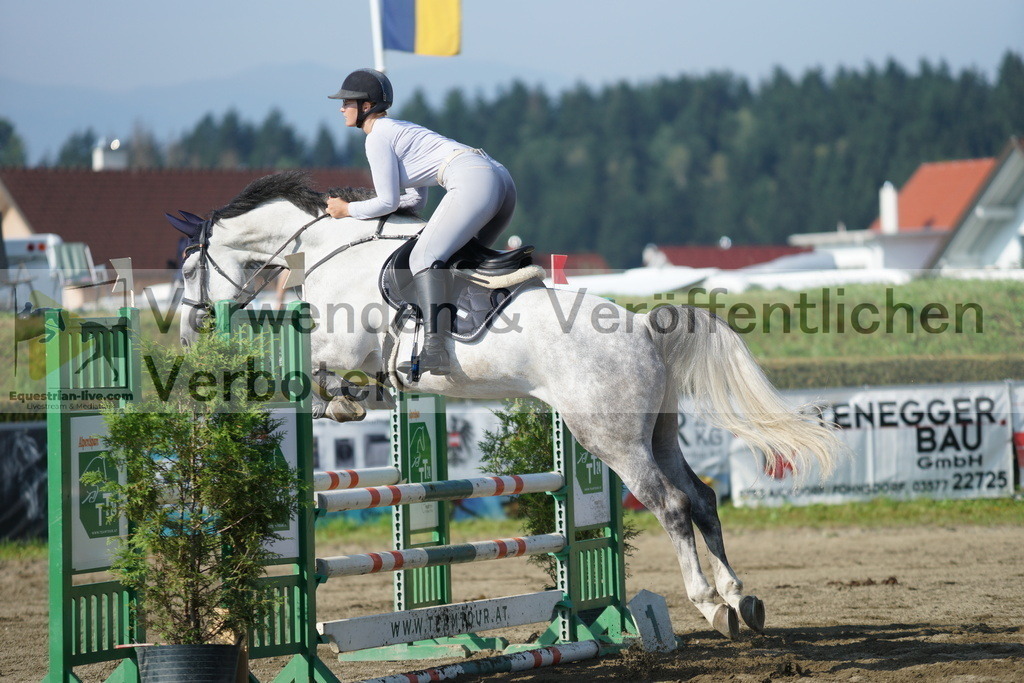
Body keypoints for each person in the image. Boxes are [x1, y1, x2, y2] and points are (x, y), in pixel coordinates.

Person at [324, 68, 516, 376]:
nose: (341, 108)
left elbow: (387, 202)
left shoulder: (376, 138)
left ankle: (435, 351)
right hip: (499, 178)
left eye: (347, 102)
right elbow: (416, 201)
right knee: (457, 262)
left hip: (474, 179)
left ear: (365, 106)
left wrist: (348, 210)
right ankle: (470, 332)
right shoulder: (399, 130)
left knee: (422, 257)